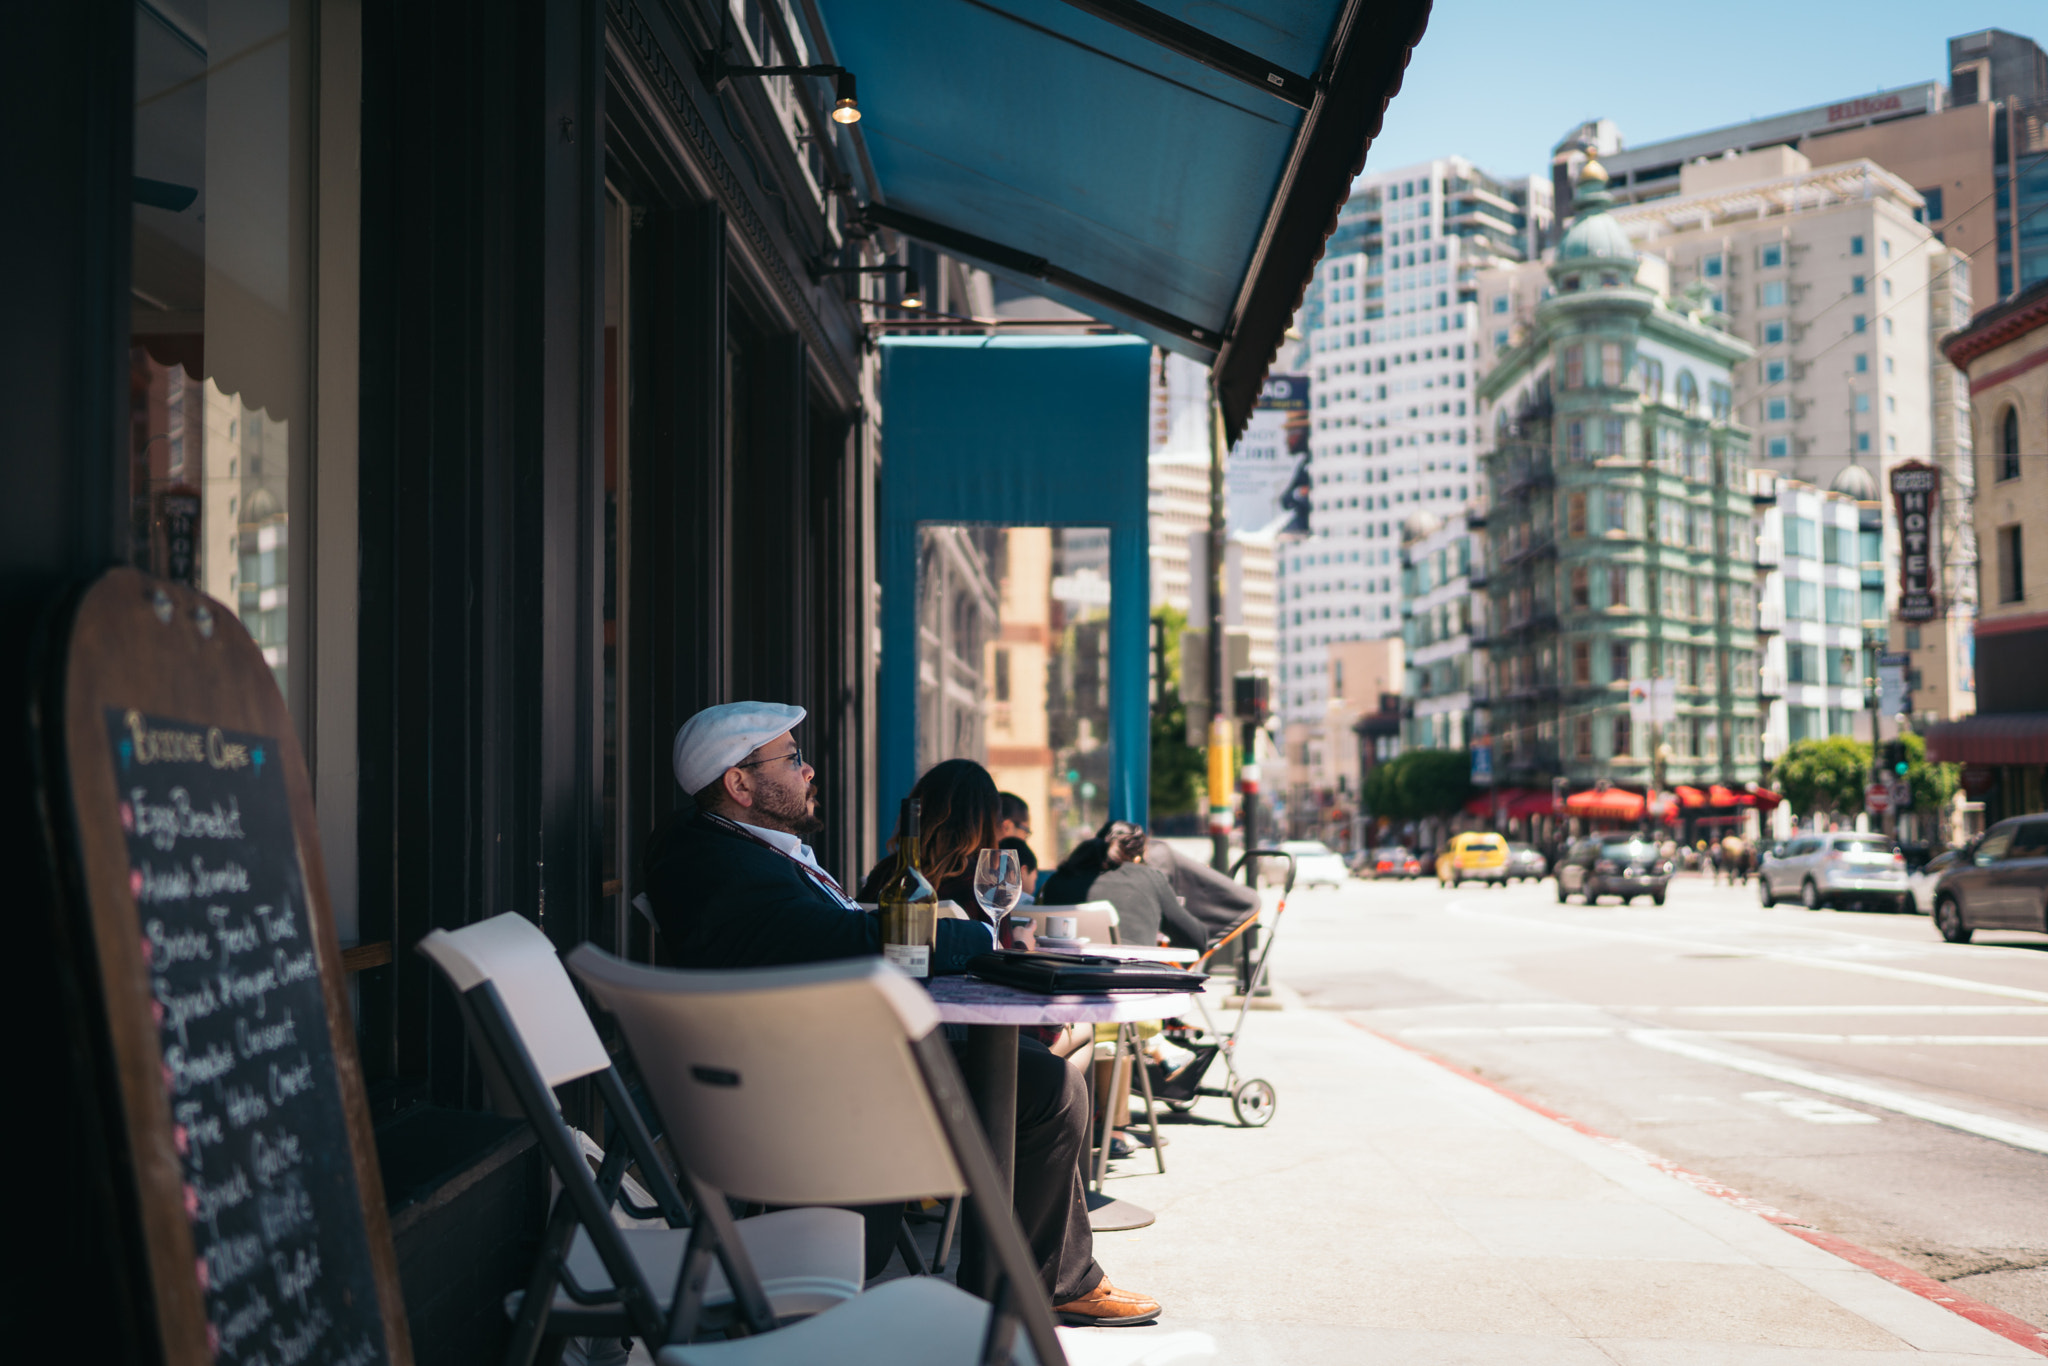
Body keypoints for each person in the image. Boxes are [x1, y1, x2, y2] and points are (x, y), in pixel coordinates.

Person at [644, 703, 1158, 1328]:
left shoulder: (741, 850)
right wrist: (976, 940)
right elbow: (843, 937)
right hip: (824, 1093)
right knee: (1044, 1085)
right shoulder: (720, 863)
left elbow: (833, 932)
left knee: (1033, 1071)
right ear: (739, 782)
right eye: (792, 758)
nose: (809, 773)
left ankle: (1034, 1284)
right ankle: (1027, 1291)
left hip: (835, 1062)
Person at [856, 759, 1003, 916]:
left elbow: (856, 926)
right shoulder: (982, 883)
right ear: (987, 822)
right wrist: (1022, 940)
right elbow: (998, 941)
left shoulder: (888, 873)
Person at [1038, 821, 1209, 950]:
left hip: (1065, 986)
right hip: (1133, 987)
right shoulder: (1149, 879)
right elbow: (1197, 940)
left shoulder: (1056, 881)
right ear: (1137, 857)